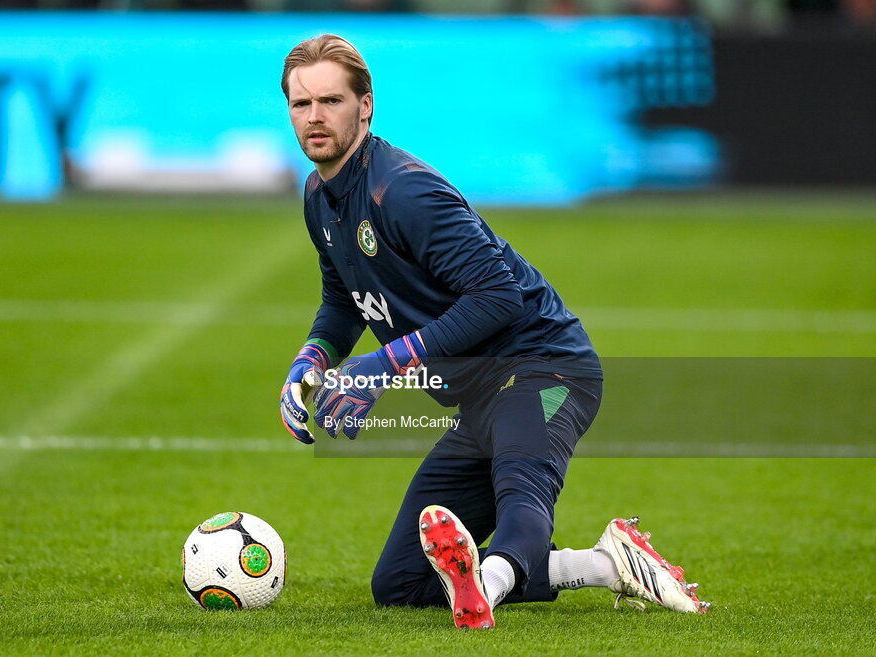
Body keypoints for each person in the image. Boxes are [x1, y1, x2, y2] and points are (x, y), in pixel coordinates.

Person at [277, 34, 708, 629]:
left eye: (331, 100)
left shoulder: (404, 192)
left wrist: (385, 364)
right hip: (477, 395)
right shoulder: (318, 196)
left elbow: (499, 296)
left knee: (521, 505)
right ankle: (606, 564)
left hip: (544, 366)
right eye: (302, 105)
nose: (316, 117)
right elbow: (344, 298)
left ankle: (487, 588)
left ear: (366, 105)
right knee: (399, 583)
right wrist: (312, 359)